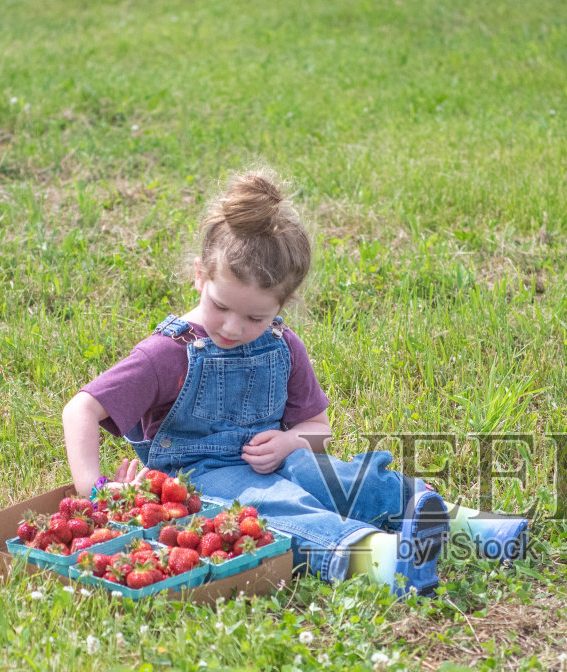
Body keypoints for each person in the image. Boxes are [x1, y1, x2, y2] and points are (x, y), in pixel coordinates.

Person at [61, 168, 529, 596]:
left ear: (282, 306)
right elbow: (81, 408)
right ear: (199, 276)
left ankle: (461, 525)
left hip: (279, 458)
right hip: (202, 480)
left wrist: (290, 443)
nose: (232, 327)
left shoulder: (282, 345)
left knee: (338, 476)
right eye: (221, 306)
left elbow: (318, 429)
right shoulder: (168, 353)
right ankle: (381, 558)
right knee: (275, 509)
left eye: (255, 317)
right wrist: (95, 488)